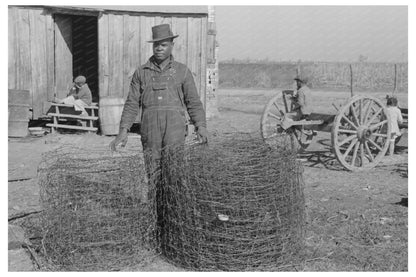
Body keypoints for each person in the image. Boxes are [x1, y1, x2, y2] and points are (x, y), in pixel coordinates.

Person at [109, 23, 208, 160]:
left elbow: (194, 102)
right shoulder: (141, 72)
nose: (159, 48)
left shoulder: (182, 71)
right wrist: (123, 130)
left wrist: (200, 126)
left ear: (172, 45)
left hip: (175, 130)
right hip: (150, 130)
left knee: (174, 169)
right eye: (156, 45)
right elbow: (132, 103)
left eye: (164, 45)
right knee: (153, 171)